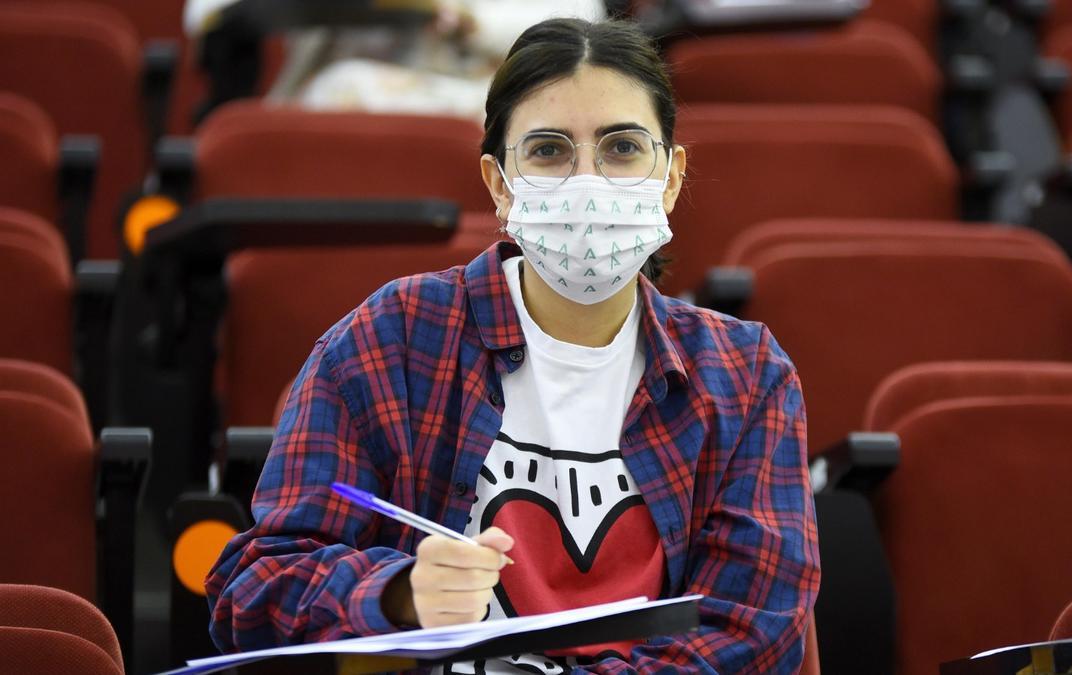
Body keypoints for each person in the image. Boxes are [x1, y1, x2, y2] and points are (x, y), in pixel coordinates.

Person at [206, 17, 820, 673]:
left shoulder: (747, 374)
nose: (589, 182)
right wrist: (396, 592)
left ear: (670, 177)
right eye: (550, 151)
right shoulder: (393, 336)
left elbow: (756, 627)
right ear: (500, 184)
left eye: (622, 149)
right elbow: (252, 588)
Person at [183, 0, 606, 120]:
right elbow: (205, 13)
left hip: (464, 105)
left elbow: (583, 28)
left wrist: (467, 19)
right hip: (312, 105)